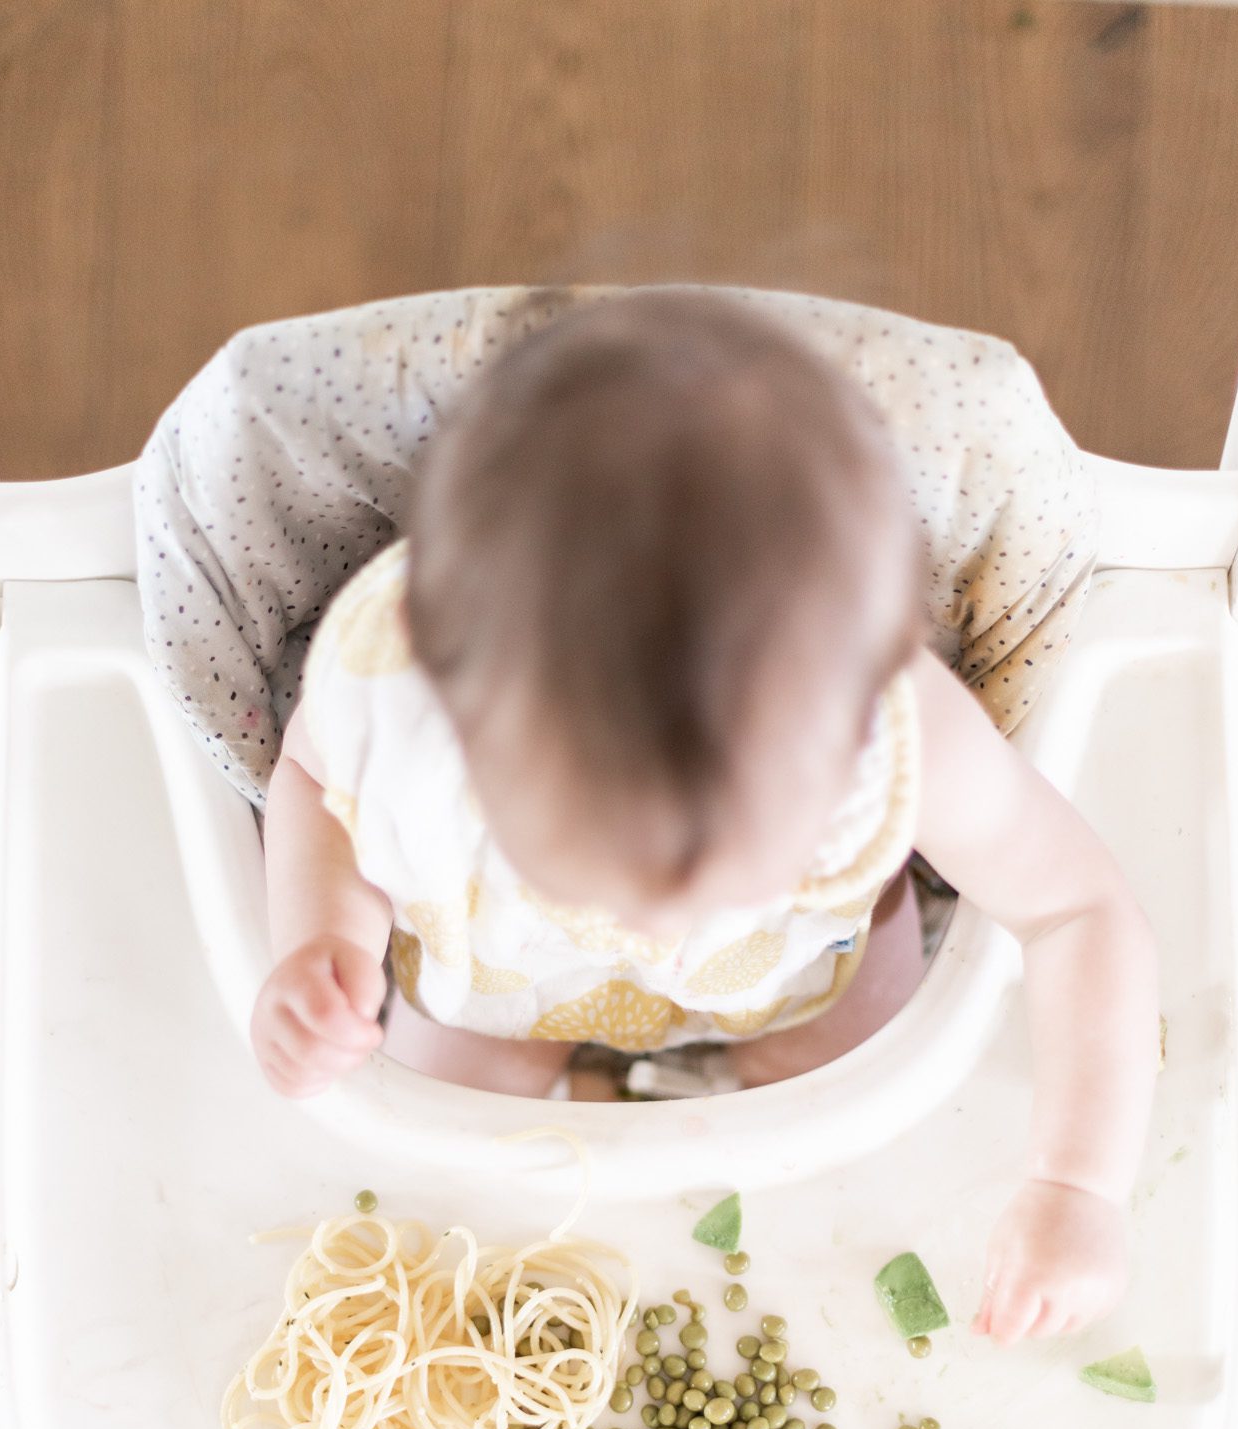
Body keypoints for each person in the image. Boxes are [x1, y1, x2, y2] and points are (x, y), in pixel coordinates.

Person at [190, 285, 1156, 1346]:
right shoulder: (399, 683)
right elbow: (318, 789)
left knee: (854, 1111)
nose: (652, 925)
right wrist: (325, 941)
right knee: (440, 1138)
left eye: (714, 872)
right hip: (499, 979)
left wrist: (1077, 1183)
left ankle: (754, 1118)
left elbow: (1076, 909)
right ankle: (563, 1127)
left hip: (793, 979)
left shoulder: (895, 725)